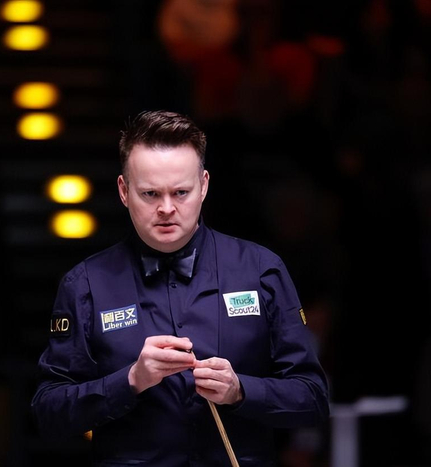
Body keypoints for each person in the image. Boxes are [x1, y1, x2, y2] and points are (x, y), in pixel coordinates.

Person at [32, 110, 329, 465]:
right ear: (124, 191)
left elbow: (313, 398)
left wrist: (240, 390)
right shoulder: (86, 285)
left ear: (204, 185)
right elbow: (48, 413)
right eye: (150, 194)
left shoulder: (260, 270)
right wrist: (130, 380)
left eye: (181, 192)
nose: (166, 208)